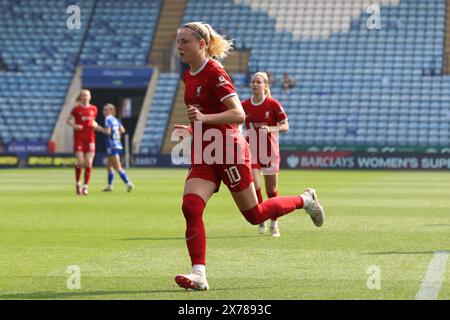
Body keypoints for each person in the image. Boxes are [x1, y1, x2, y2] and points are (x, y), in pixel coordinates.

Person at [173, 22, 325, 291]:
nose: (179, 46)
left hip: (229, 151)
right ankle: (199, 274)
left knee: (255, 215)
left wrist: (205, 118)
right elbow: (205, 117)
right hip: (207, 151)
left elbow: (238, 114)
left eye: (184, 41)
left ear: (201, 45)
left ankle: (306, 200)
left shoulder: (215, 73)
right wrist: (191, 127)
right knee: (190, 207)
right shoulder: (188, 75)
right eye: (178, 41)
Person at [242, 72, 289, 237]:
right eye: (253, 81)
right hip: (252, 151)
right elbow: (234, 121)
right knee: (255, 187)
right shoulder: (244, 105)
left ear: (265, 85)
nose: (254, 84)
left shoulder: (273, 104)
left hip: (270, 152)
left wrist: (271, 129)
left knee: (272, 190)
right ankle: (261, 216)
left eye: (258, 82)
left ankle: (274, 223)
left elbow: (285, 126)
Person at [95, 104, 134, 192]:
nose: (104, 112)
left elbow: (108, 132)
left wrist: (98, 128)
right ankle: (110, 185)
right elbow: (122, 130)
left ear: (111, 111)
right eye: (104, 110)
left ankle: (128, 183)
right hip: (117, 144)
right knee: (109, 166)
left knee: (117, 167)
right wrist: (116, 137)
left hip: (112, 145)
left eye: (106, 110)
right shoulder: (115, 119)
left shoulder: (108, 119)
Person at [66, 89, 98, 195]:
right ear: (80, 97)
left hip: (90, 138)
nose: (85, 97)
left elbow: (92, 121)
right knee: (80, 162)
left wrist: (95, 124)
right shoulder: (76, 109)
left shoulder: (94, 109)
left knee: (89, 162)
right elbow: (68, 120)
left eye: (87, 95)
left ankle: (85, 186)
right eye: (83, 95)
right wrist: (75, 125)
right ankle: (78, 183)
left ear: (90, 97)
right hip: (79, 138)